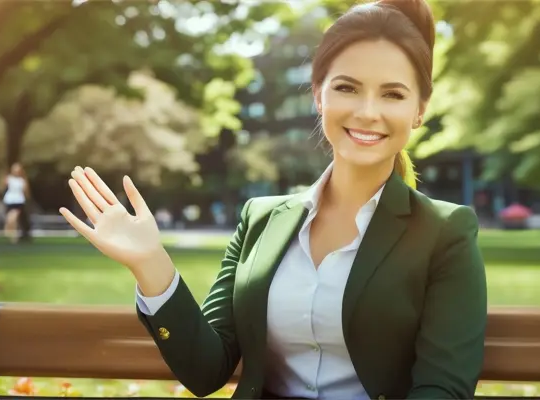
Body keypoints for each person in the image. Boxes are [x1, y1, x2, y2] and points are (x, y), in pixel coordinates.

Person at [59, 0, 487, 398]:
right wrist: (150, 262)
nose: (367, 112)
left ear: (420, 109)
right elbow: (206, 371)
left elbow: (442, 390)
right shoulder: (260, 219)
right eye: (347, 88)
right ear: (319, 95)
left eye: (392, 94)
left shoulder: (444, 233)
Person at [2, 162, 29, 244]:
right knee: (10, 219)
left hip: (19, 200)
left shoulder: (22, 180)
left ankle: (13, 235)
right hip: (10, 200)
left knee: (13, 217)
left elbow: (26, 191)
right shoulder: (8, 178)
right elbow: (2, 187)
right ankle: (9, 234)